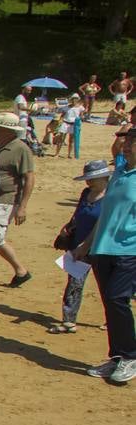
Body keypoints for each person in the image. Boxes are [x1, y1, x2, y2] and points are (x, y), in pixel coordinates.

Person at [77, 127, 136, 384]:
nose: (127, 145)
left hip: (129, 250)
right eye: (127, 141)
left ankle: (130, 357)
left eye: (133, 142)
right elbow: (106, 215)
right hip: (103, 248)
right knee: (109, 304)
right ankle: (117, 357)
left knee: (117, 298)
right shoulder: (119, 173)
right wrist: (86, 244)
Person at [49, 160, 111, 334]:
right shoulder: (86, 193)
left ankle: (112, 320)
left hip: (101, 248)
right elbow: (78, 215)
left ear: (104, 178)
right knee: (74, 284)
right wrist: (68, 227)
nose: (88, 182)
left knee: (106, 286)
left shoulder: (111, 196)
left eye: (92, 178)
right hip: (79, 246)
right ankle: (69, 321)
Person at [0, 112, 35, 289]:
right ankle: (21, 271)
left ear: (6, 131)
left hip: (7, 199)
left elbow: (29, 178)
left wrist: (22, 207)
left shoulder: (20, 149)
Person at [59, 94, 84, 159]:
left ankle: (69, 154)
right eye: (73, 99)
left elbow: (81, 116)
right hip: (66, 123)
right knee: (61, 139)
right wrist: (59, 123)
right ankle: (57, 153)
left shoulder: (80, 108)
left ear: (78, 99)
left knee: (71, 140)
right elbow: (62, 116)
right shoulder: (66, 107)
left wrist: (79, 124)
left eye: (76, 99)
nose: (74, 100)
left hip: (74, 125)